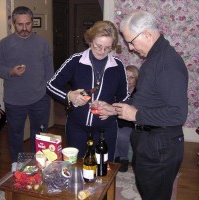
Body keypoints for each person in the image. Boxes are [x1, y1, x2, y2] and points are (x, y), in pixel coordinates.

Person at [96, 10, 188, 200]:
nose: (130, 48)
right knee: (147, 190)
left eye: (131, 41)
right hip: (150, 143)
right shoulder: (153, 59)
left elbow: (178, 114)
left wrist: (136, 116)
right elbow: (143, 99)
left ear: (147, 34)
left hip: (160, 147)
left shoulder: (167, 63)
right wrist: (114, 109)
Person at [46, 21, 128, 162]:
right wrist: (69, 95)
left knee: (104, 170)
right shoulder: (75, 61)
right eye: (98, 46)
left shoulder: (117, 66)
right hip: (77, 127)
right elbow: (51, 85)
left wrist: (113, 110)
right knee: (76, 168)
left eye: (107, 48)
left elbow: (125, 97)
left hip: (106, 130)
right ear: (90, 41)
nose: (102, 52)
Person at [0, 6, 54, 172]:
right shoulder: (4, 44)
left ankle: (39, 162)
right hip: (14, 99)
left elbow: (49, 70)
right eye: (20, 24)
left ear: (32, 23)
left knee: (40, 134)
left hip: (40, 97)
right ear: (13, 23)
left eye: (28, 24)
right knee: (15, 134)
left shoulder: (42, 43)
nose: (24, 28)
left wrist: (48, 92)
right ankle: (17, 162)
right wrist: (10, 72)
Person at [115, 65, 138, 172]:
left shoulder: (139, 93)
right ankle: (115, 157)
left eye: (131, 77)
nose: (128, 80)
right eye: (126, 76)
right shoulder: (118, 89)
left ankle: (123, 159)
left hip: (130, 123)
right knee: (110, 132)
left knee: (122, 135)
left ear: (136, 79)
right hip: (115, 120)